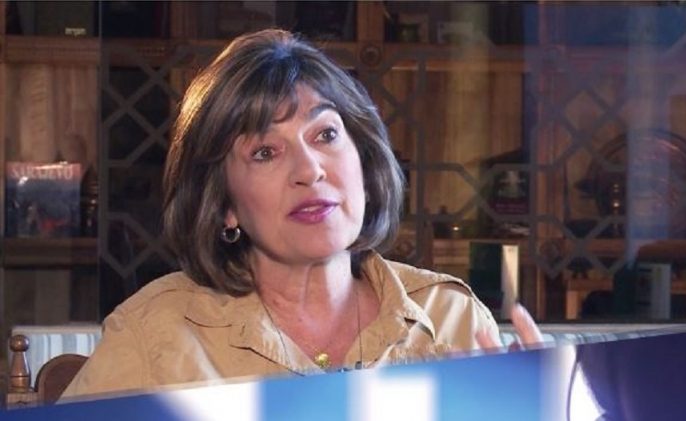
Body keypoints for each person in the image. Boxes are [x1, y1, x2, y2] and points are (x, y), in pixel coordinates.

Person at [62, 29, 541, 398]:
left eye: (325, 135)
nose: (310, 170)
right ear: (223, 205)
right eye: (265, 152)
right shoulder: (155, 334)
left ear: (364, 162)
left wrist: (544, 404)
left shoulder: (452, 318)